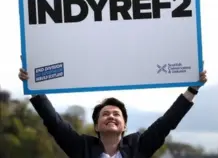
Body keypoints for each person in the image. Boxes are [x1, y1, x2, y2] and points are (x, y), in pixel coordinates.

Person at [18, 68, 208, 158]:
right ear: (96, 126)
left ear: (124, 126)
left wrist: (192, 89)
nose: (111, 116)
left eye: (116, 114)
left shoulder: (138, 147)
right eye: (105, 114)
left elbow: (166, 122)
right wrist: (33, 87)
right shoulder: (81, 148)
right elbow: (55, 123)